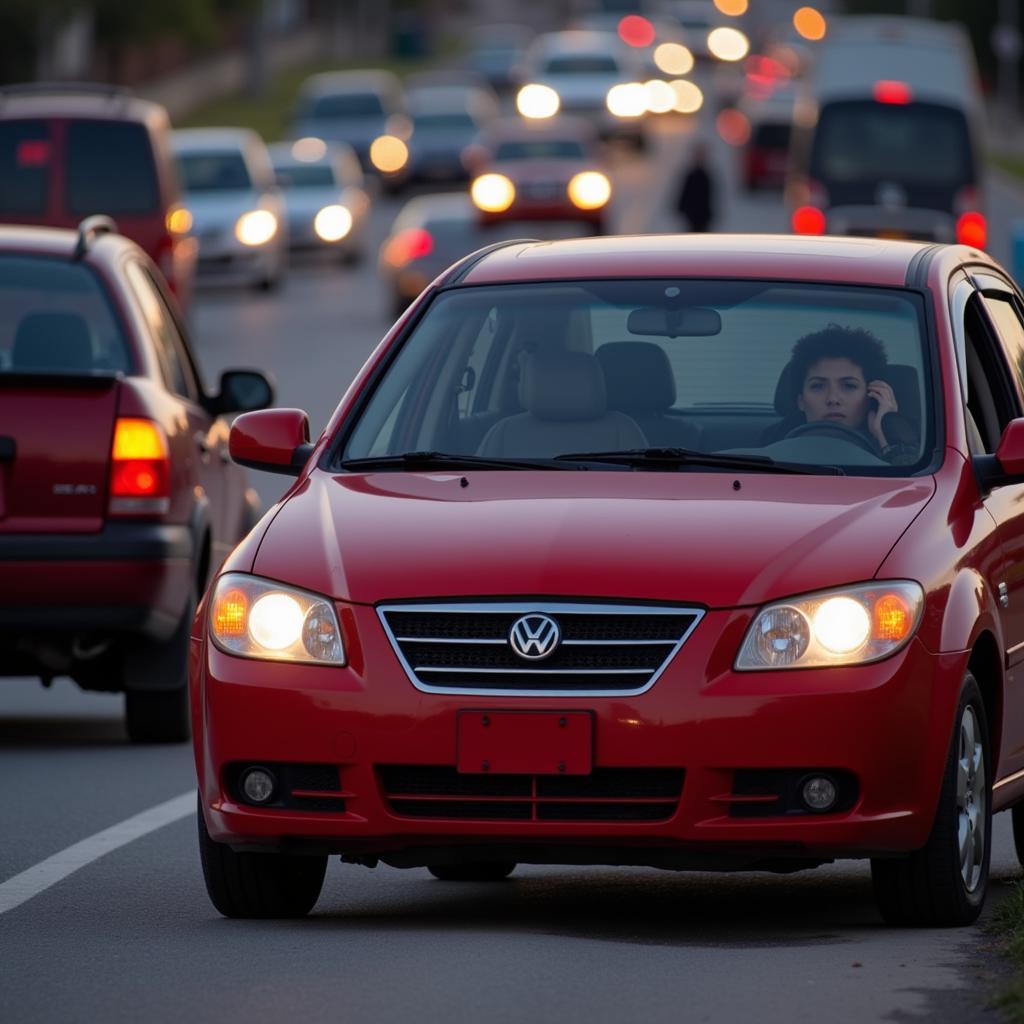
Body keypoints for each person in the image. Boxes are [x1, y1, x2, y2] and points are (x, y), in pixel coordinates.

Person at [779, 324, 919, 465]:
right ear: (801, 401)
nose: (833, 399)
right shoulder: (769, 445)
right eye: (818, 386)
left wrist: (889, 432)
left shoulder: (921, 454)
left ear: (871, 396)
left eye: (849, 386)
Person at [676, 142, 714, 233]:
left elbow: (710, 196)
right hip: (692, 214)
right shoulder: (691, 175)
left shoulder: (706, 176)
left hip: (703, 214)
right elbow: (685, 192)